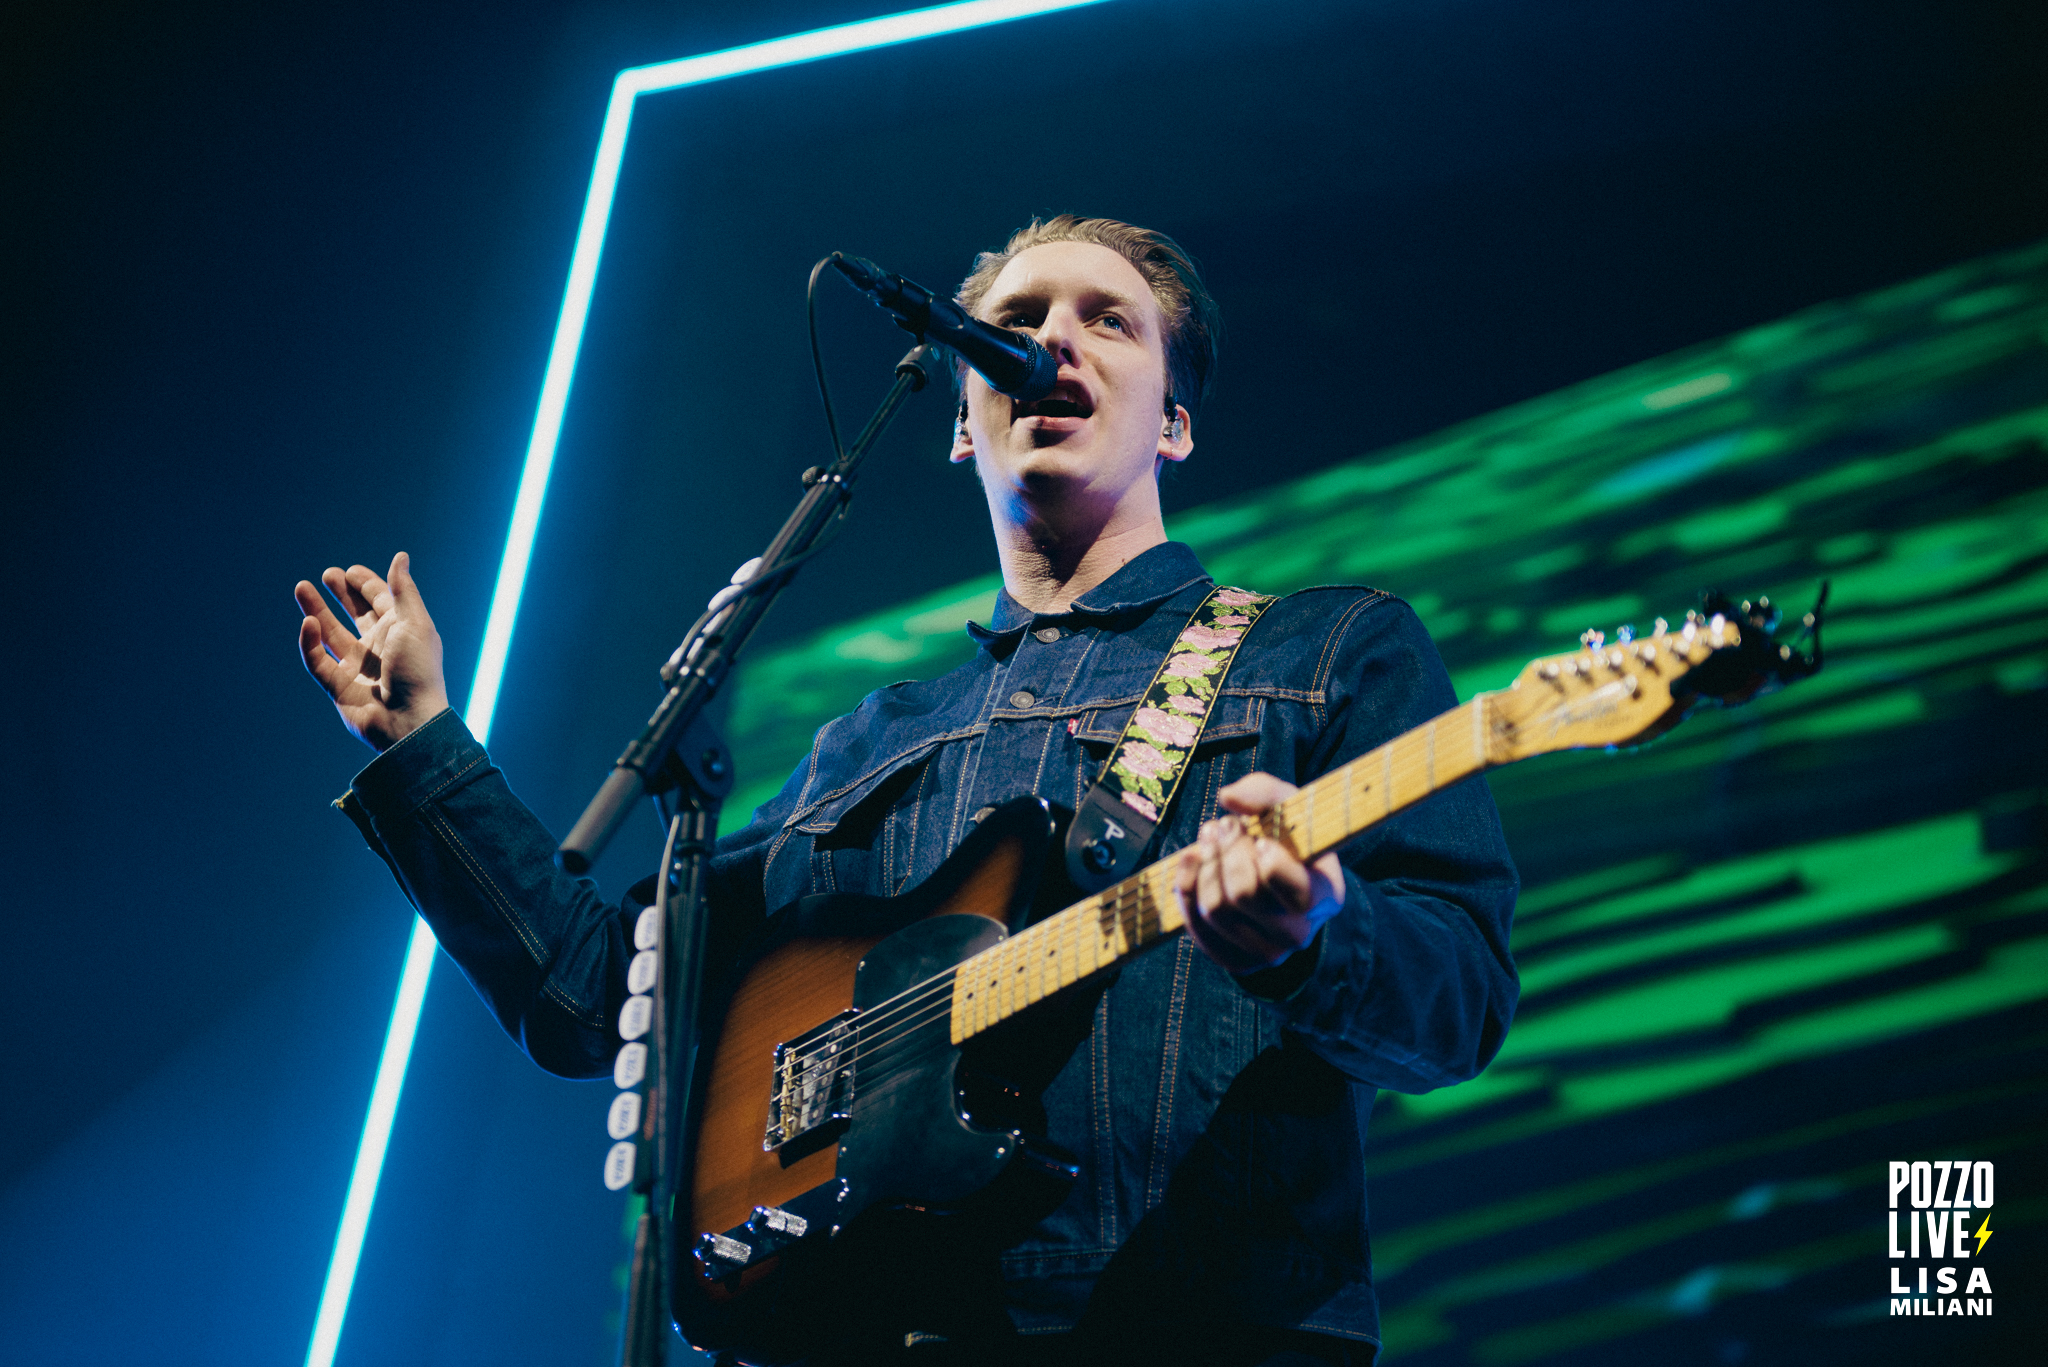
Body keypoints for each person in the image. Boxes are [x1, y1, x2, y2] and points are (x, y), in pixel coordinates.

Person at [296, 216, 1519, 1366]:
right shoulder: (863, 741)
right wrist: (423, 743)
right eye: (1019, 313)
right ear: (956, 422)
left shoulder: (1319, 655)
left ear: (1174, 426)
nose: (1050, 338)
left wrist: (1314, 937)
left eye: (1108, 320)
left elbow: (1455, 1003)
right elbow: (600, 995)